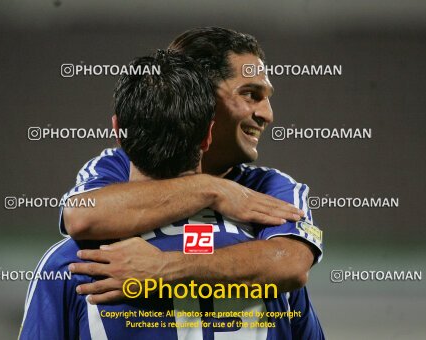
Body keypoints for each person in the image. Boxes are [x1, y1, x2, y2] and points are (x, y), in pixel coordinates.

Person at [62, 27, 324, 339]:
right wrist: (211, 190)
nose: (267, 114)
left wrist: (164, 269)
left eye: (266, 98)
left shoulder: (270, 186)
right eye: (250, 94)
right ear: (203, 98)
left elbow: (292, 264)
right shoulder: (118, 164)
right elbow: (81, 216)